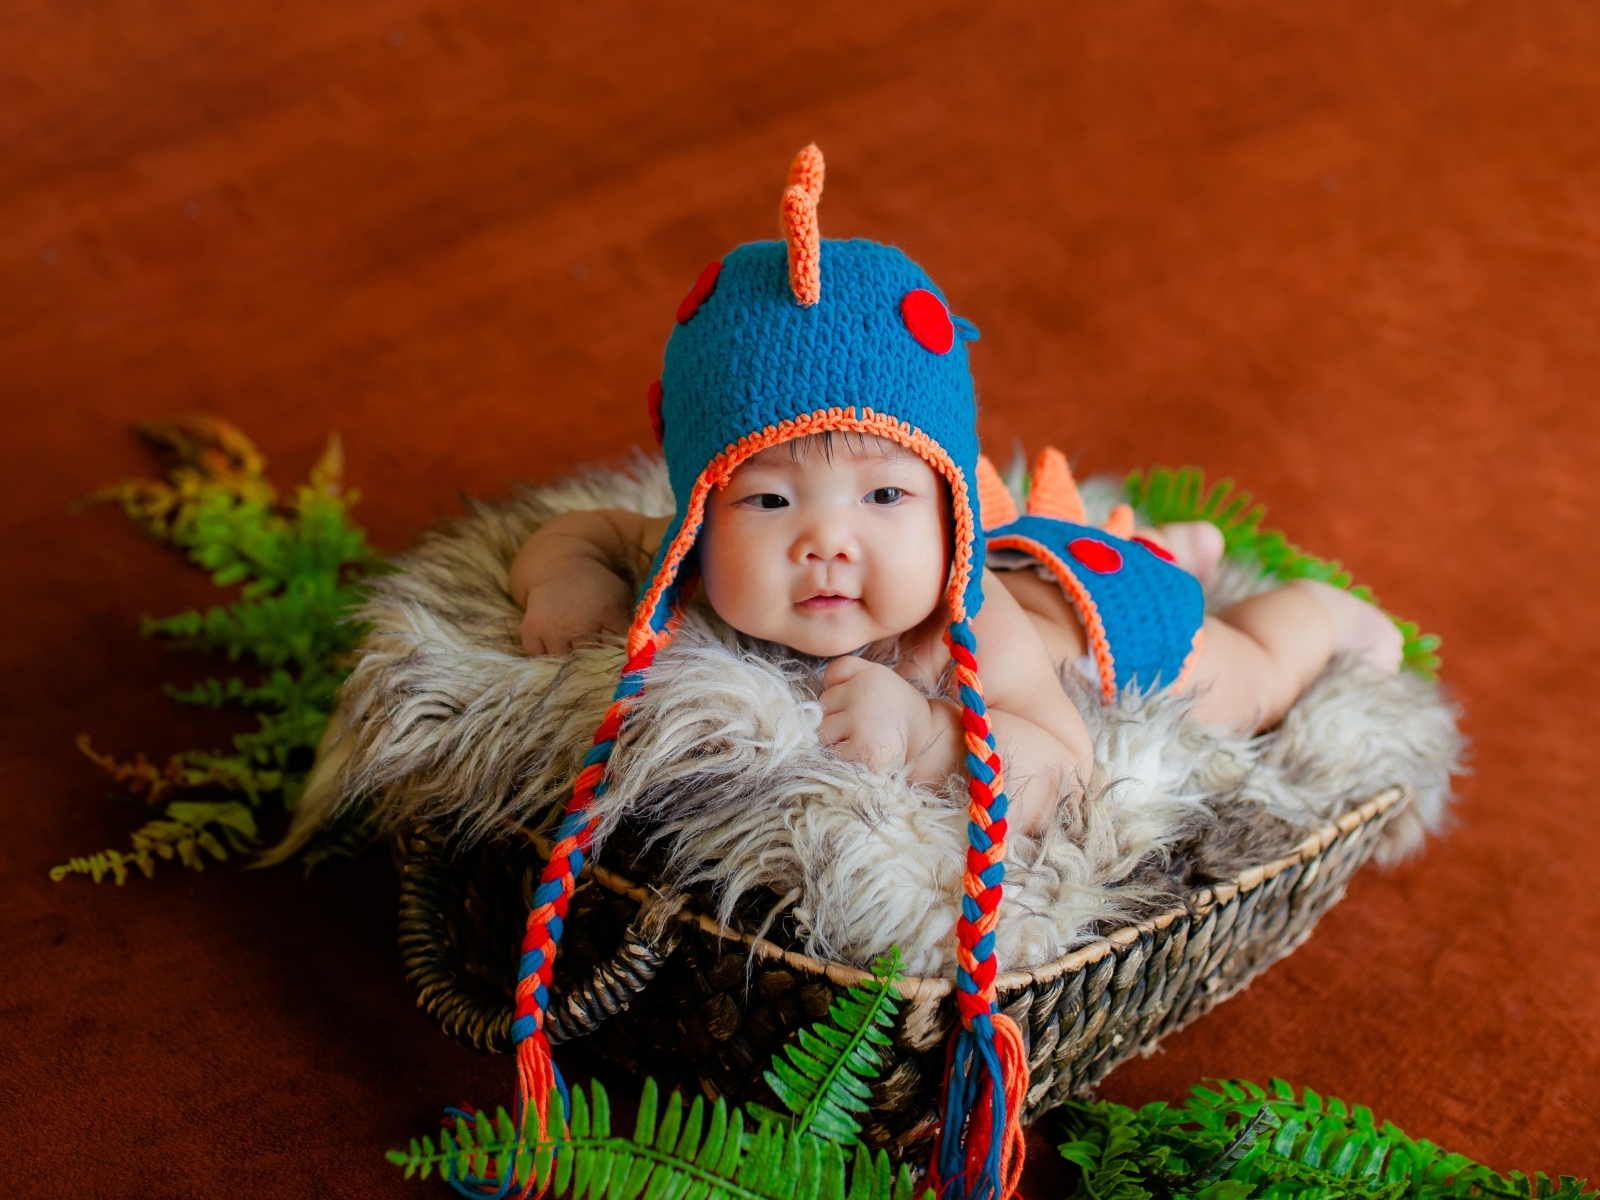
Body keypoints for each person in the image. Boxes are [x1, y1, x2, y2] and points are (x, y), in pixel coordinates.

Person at [501, 145, 1400, 1197]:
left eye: (885, 497)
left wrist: (934, 738)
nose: (827, 542)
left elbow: (1063, 764)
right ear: (701, 509)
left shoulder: (968, 630)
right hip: (1013, 546)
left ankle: (1303, 613)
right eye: (770, 500)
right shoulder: (690, 558)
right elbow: (576, 532)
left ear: (947, 505)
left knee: (1241, 678)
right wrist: (568, 584)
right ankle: (1174, 542)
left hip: (1098, 622)